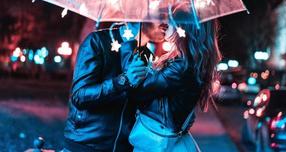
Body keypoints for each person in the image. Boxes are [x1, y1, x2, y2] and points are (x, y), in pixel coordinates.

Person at [120, 8, 222, 151]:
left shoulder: (182, 67)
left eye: (171, 21)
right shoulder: (187, 63)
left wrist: (129, 44)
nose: (166, 24)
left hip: (156, 140)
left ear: (183, 28)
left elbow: (136, 92)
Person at [62, 18, 170, 151]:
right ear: (139, 13)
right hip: (87, 144)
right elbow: (79, 96)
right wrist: (123, 80)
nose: (167, 21)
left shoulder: (146, 55)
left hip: (124, 147)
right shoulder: (98, 41)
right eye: (161, 14)